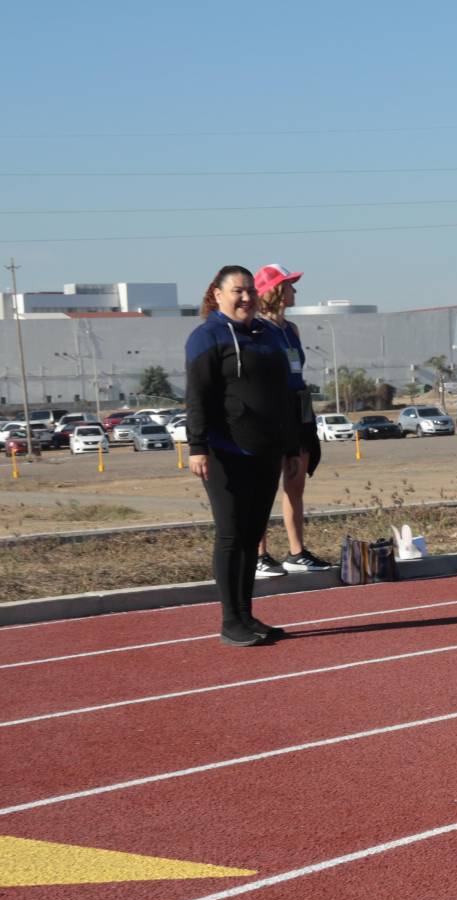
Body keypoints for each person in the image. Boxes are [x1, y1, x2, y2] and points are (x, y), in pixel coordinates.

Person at [184, 264, 301, 646]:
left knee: (252, 536)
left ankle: (247, 615)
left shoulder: (267, 334)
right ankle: (230, 620)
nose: (246, 298)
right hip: (224, 452)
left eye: (250, 290)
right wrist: (198, 446)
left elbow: (284, 393)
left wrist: (290, 444)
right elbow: (197, 397)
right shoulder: (206, 337)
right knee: (231, 535)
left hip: (266, 451)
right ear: (217, 295)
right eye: (237, 291)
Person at [252, 263, 330, 577]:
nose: (294, 290)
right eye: (289, 285)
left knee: (294, 484)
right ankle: (258, 554)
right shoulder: (257, 328)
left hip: (298, 410)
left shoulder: (291, 330)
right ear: (273, 291)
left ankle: (296, 552)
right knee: (263, 487)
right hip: (272, 413)